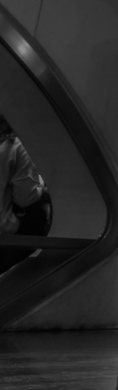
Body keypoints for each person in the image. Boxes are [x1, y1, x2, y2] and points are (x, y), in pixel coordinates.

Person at [0, 114, 49, 275]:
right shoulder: (15, 144)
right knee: (42, 206)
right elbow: (26, 197)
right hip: (5, 234)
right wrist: (42, 185)